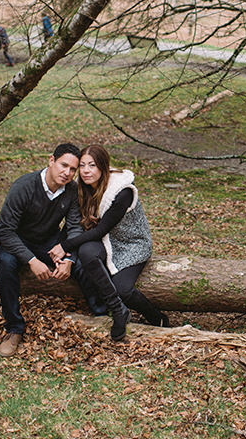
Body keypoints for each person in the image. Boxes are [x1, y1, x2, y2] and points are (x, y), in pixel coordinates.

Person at [50, 144, 168, 342]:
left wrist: (65, 247)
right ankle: (118, 310)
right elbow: (77, 224)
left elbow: (101, 229)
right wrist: (66, 254)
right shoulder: (83, 188)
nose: (86, 171)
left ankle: (158, 319)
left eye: (92, 165)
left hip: (132, 243)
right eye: (83, 166)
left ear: (103, 167)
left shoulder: (122, 192)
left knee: (124, 290)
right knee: (87, 252)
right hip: (106, 241)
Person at [0, 143, 101, 357]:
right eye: (63, 165)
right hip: (18, 240)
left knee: (81, 265)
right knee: (6, 266)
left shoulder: (71, 190)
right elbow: (4, 232)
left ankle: (101, 314)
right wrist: (32, 260)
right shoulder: (24, 186)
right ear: (51, 161)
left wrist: (69, 258)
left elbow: (73, 227)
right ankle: (14, 328)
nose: (67, 173)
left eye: (73, 169)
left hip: (49, 241)